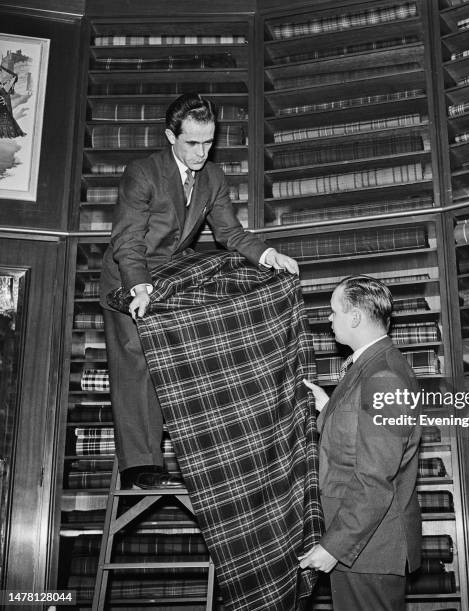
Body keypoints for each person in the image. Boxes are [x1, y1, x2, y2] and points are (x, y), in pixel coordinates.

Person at [99, 93, 299, 489]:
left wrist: (270, 255)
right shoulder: (142, 172)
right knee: (138, 358)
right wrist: (139, 287)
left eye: (208, 142)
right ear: (170, 135)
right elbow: (128, 239)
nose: (201, 152)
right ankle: (141, 463)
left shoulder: (214, 177)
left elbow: (229, 233)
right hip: (129, 274)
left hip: (172, 275)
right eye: (192, 143)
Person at [300, 275, 422, 611]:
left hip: (368, 547)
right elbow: (358, 435)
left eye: (333, 312)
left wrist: (335, 546)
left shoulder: (382, 376)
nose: (328, 319)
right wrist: (328, 407)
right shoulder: (370, 366)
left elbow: (375, 477)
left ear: (354, 317)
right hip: (364, 544)